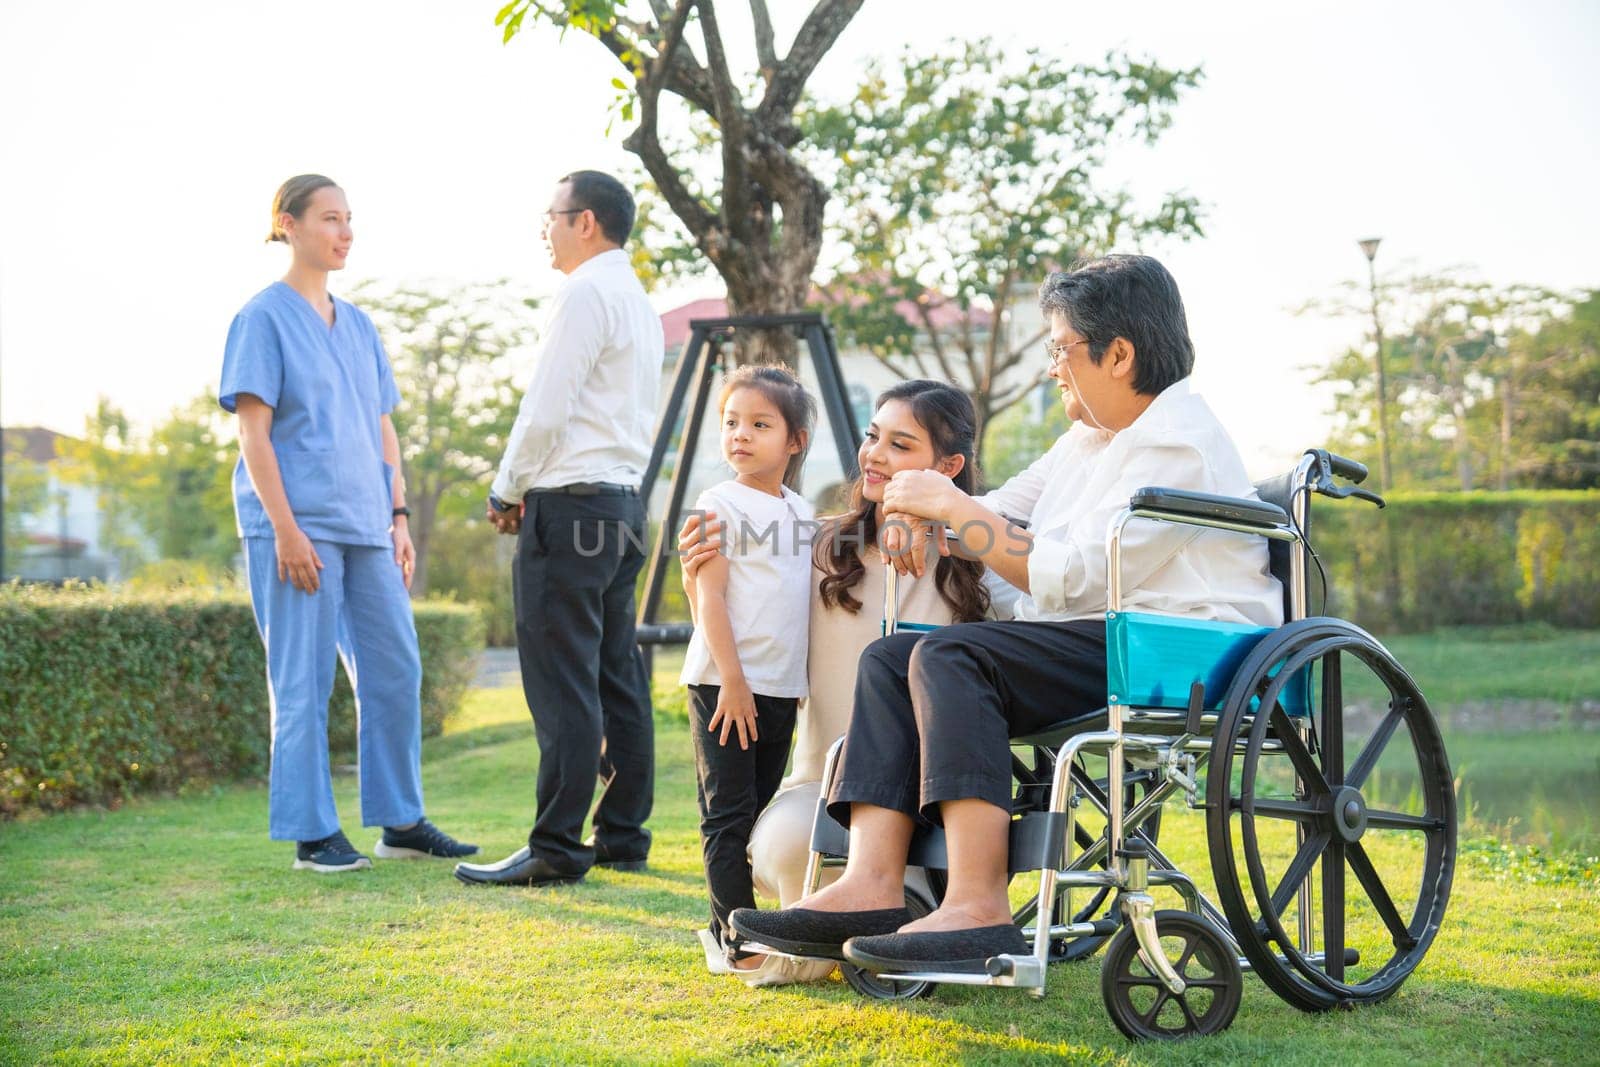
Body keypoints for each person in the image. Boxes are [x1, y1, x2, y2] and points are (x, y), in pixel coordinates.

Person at [730, 254, 1283, 973]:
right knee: (892, 656)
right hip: (1103, 638)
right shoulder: (1087, 440)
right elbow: (992, 516)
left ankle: (979, 901)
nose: (1054, 367)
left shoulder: (1177, 441)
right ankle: (870, 881)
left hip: (1179, 646)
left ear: (1118, 354)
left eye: (1061, 348)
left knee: (953, 654)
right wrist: (915, 509)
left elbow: (1071, 571)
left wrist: (944, 505)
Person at [680, 379, 1018, 986]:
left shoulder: (983, 562)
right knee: (785, 847)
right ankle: (786, 940)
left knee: (905, 883)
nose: (875, 455)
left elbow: (1040, 604)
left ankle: (898, 921)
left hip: (929, 800)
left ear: (949, 467)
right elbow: (734, 595)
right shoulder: (817, 546)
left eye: (900, 444)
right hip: (822, 785)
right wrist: (696, 578)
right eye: (872, 437)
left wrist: (920, 516)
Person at [218, 174, 477, 873]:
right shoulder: (262, 318)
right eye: (331, 218)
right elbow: (254, 435)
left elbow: (382, 426)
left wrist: (399, 514)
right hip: (297, 527)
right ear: (288, 223)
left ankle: (400, 818)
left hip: (368, 523)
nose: (345, 232)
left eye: (350, 219)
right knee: (301, 679)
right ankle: (312, 833)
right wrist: (286, 529)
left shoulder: (358, 324)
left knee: (396, 666)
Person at [455, 170, 664, 888]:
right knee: (616, 675)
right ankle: (625, 834)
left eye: (550, 216)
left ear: (586, 222)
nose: (544, 229)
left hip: (570, 504)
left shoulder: (584, 292)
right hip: (623, 506)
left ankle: (555, 845)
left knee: (564, 682)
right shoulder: (637, 299)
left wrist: (506, 486)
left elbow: (546, 409)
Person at [679, 365, 816, 975]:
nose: (740, 435)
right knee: (728, 812)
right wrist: (732, 681)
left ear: (794, 441)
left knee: (761, 810)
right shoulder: (718, 502)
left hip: (779, 688)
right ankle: (732, 936)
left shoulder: (801, 510)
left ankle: (747, 918)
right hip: (724, 683)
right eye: (731, 422)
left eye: (759, 424)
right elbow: (709, 596)